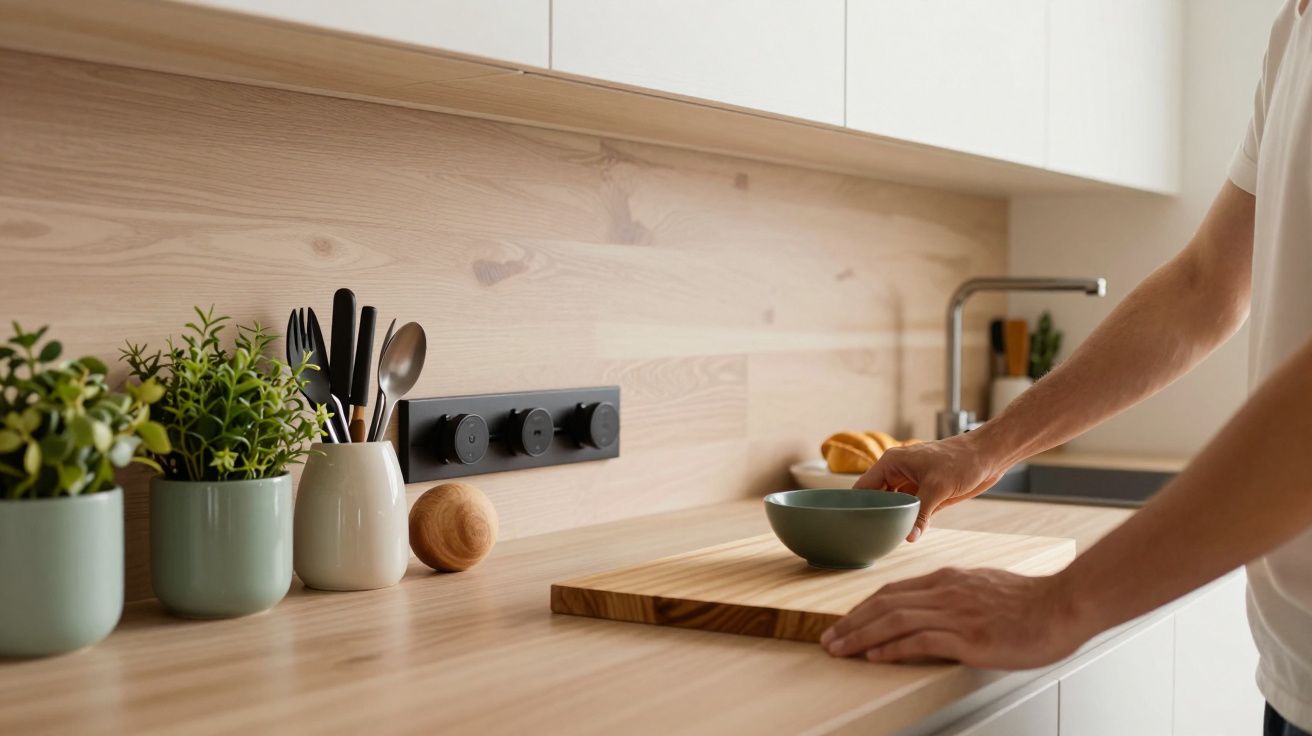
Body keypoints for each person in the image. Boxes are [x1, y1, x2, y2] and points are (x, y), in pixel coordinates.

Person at [818, 1, 1312, 732]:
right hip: (1293, 668)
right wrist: (981, 447)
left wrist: (1060, 602)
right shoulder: (1294, 30)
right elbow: (1204, 287)